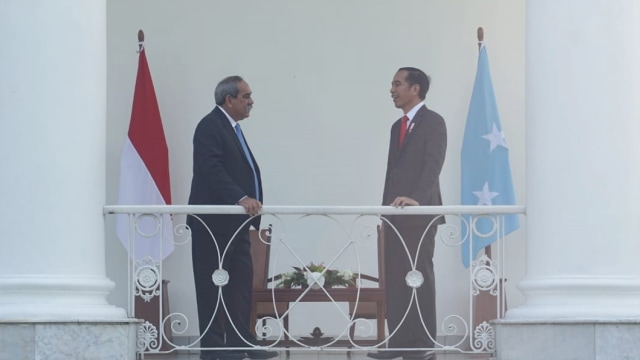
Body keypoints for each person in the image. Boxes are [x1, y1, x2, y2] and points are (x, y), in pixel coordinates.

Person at [187, 76, 278, 360]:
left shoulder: (231, 127)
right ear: (229, 99)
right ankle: (214, 350)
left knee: (239, 286)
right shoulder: (210, 126)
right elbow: (211, 169)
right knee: (211, 286)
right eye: (246, 95)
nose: (251, 101)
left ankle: (242, 344)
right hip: (213, 225)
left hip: (236, 225)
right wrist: (241, 198)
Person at [367, 67, 447, 360]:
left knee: (419, 275)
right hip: (395, 215)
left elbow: (433, 165)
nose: (392, 89)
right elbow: (393, 172)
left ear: (415, 89)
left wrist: (418, 199)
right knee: (395, 277)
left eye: (397, 84)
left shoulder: (433, 122)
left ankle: (422, 343)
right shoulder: (395, 126)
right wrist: (385, 207)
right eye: (392, 84)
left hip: (420, 215)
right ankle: (399, 341)